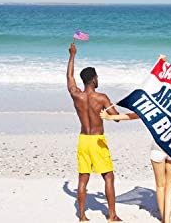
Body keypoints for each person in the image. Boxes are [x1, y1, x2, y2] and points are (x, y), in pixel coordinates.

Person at [100, 55, 171, 223]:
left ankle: (164, 220)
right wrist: (164, 64)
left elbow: (132, 116)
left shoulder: (152, 104)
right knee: (170, 184)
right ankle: (168, 219)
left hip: (157, 148)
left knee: (160, 185)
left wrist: (110, 117)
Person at [66, 42, 122, 222]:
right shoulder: (101, 98)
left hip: (83, 140)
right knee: (109, 177)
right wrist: (111, 111)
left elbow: (69, 76)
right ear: (93, 80)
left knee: (83, 179)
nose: (98, 80)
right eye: (97, 77)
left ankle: (82, 216)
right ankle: (112, 215)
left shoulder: (77, 95)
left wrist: (72, 55)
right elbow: (117, 118)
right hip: (97, 141)